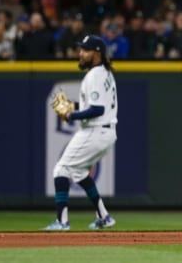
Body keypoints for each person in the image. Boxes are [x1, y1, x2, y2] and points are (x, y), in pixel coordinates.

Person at [44, 34, 118, 231]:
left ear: (97, 53)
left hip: (95, 131)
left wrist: (71, 115)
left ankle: (62, 222)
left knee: (60, 170)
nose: (80, 54)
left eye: (85, 50)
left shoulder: (95, 75)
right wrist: (72, 105)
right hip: (104, 132)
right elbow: (92, 105)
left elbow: (97, 110)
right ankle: (104, 216)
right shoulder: (105, 73)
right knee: (78, 172)